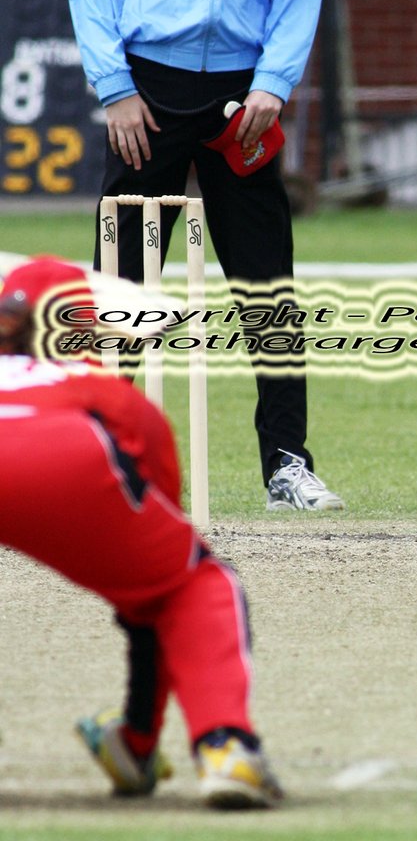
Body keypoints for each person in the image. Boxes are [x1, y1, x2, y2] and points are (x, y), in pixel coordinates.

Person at [68, 0, 343, 510]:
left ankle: (287, 463)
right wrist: (113, 86)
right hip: (146, 92)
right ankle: (101, 458)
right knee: (123, 283)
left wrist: (275, 81)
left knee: (267, 281)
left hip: (242, 96)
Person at [0, 256, 282, 808]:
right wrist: (139, 738)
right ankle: (225, 746)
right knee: (194, 584)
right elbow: (160, 588)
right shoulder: (94, 383)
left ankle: (136, 746)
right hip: (60, 450)